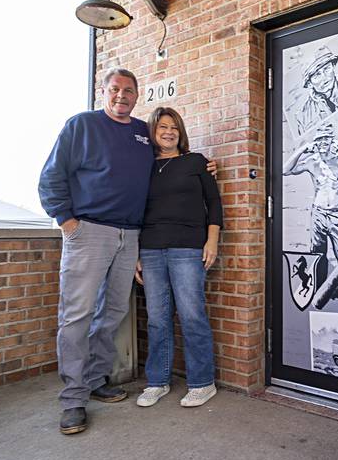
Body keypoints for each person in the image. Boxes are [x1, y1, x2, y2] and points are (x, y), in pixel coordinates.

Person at [39, 69, 216, 435]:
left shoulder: (140, 136)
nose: (122, 95)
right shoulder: (81, 125)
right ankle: (73, 399)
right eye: (115, 89)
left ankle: (96, 378)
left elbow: (172, 165)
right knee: (77, 315)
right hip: (89, 231)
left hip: (131, 236)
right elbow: (52, 176)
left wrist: (204, 166)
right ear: (104, 91)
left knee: (115, 310)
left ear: (137, 96)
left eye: (129, 90)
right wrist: (67, 221)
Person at [135, 107, 223, 409]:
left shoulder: (196, 162)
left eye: (174, 127)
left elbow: (213, 202)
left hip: (188, 248)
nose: (169, 132)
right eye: (162, 127)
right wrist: (136, 253)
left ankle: (202, 382)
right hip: (151, 249)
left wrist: (212, 240)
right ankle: (157, 381)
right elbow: (134, 212)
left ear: (180, 132)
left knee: (192, 315)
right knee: (158, 319)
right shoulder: (142, 167)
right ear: (152, 132)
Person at [283, 123, 338, 312]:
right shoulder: (311, 162)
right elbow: (285, 170)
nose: (323, 142)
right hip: (318, 214)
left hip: (337, 214)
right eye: (320, 139)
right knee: (317, 253)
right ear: (315, 142)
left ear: (332, 140)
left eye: (327, 138)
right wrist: (301, 149)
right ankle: (317, 288)